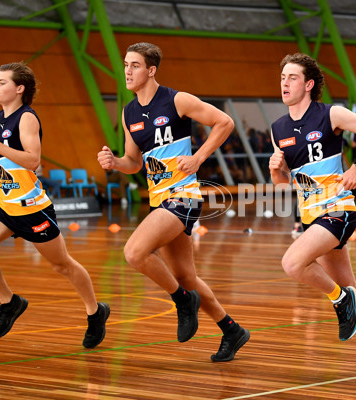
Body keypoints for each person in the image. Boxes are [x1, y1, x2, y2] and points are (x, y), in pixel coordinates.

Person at [97, 42, 249, 362]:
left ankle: (181, 301)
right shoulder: (129, 113)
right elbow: (134, 162)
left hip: (183, 197)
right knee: (187, 277)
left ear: (151, 70)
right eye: (126, 64)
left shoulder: (176, 99)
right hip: (159, 200)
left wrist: (198, 157)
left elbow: (224, 122)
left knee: (135, 252)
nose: (127, 70)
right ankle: (231, 329)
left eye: (135, 65)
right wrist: (115, 162)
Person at [269, 53, 356, 372]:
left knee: (292, 263)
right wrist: (276, 172)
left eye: (293, 77)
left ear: (309, 84)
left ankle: (339, 299)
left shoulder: (330, 114)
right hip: (309, 214)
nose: (285, 83)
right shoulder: (278, 128)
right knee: (350, 285)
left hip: (337, 210)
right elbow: (284, 183)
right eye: (283, 77)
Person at [0, 62, 109, 348]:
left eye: (1, 82)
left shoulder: (27, 118)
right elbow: (14, 159)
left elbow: (33, 160)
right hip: (5, 205)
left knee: (62, 265)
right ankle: (10, 303)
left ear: (19, 89)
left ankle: (95, 312)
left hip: (32, 209)